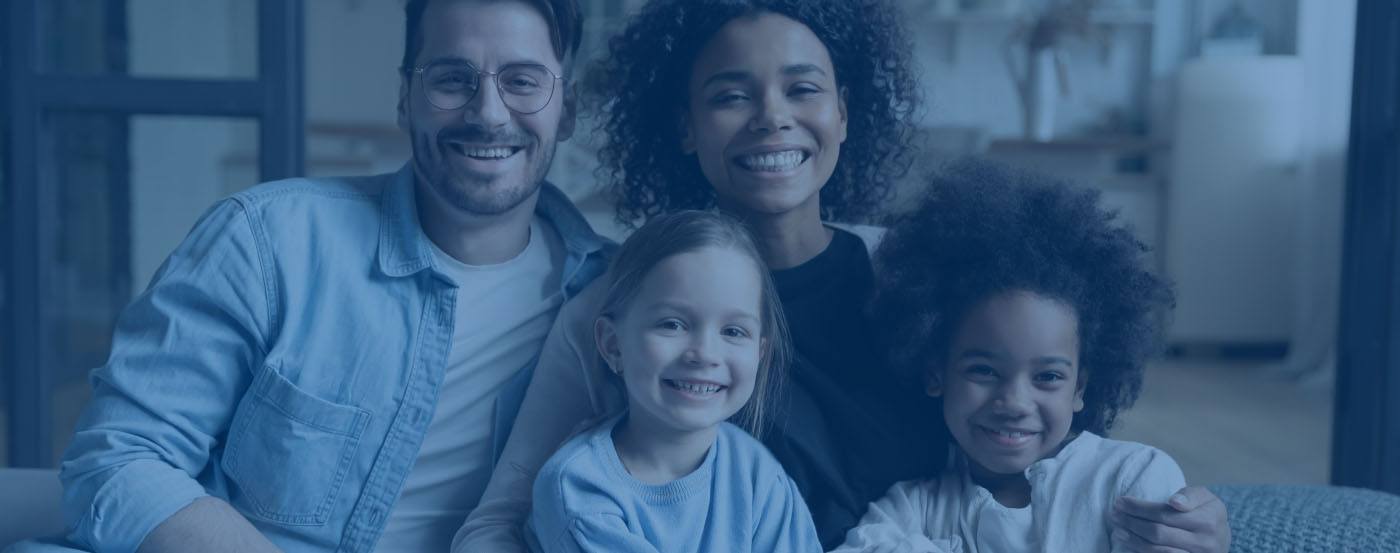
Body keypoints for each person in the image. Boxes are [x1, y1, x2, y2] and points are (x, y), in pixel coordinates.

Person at [456, 2, 1231, 553]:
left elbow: (1049, 443)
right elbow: (499, 519)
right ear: (684, 126)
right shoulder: (620, 305)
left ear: (845, 112)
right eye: (730, 95)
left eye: (803, 88)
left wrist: (1192, 523)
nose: (771, 117)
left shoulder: (925, 275)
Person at [32, 1, 610, 552]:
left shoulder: (619, 298)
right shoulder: (266, 241)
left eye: (523, 81)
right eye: (452, 79)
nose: (488, 113)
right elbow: (119, 459)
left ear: (569, 111)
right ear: (405, 98)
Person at [834, 160, 1183, 552]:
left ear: (1080, 386)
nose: (1014, 403)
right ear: (936, 374)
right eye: (983, 370)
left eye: (1048, 377)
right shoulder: (909, 508)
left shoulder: (1132, 481)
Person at [527, 210, 822, 552]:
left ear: (760, 354)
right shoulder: (579, 488)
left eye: (733, 331)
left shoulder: (757, 473)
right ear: (612, 344)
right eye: (672, 324)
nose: (704, 353)